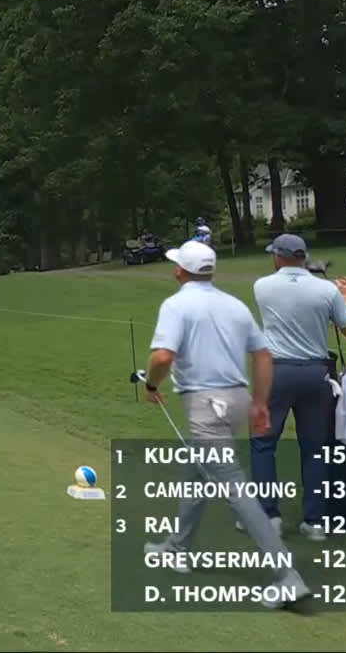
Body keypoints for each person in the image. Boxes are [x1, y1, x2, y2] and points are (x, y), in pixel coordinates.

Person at [140, 240, 311, 608]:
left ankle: (286, 575)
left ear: (180, 270)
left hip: (206, 406)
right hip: (237, 401)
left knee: (236, 490)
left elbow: (163, 355)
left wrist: (151, 384)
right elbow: (263, 355)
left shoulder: (176, 304)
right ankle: (178, 548)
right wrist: (261, 402)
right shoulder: (233, 305)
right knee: (196, 472)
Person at [248, 233, 346, 540]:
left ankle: (268, 516)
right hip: (315, 371)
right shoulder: (326, 290)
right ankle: (315, 522)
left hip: (277, 371)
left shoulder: (262, 286)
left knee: (263, 443)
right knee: (315, 448)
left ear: (278, 257)